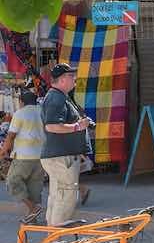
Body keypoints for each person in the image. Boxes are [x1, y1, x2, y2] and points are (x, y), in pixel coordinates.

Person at [40, 63, 91, 226]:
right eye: (71, 76)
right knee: (65, 197)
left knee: (57, 196)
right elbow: (51, 125)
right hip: (62, 158)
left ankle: (51, 241)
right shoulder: (57, 98)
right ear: (62, 80)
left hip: (59, 156)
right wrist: (78, 126)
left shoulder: (59, 96)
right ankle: (55, 242)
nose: (74, 79)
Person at [0, 90, 45, 222]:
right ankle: (32, 218)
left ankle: (33, 208)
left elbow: (11, 135)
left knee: (12, 182)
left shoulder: (20, 113)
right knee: (34, 186)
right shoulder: (42, 111)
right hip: (41, 155)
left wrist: (3, 151)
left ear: (21, 102)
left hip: (24, 156)